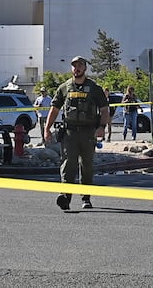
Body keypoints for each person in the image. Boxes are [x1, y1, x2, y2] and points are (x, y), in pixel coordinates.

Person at [43, 56, 110, 210]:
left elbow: (104, 109)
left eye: (80, 65)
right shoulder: (64, 87)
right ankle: (65, 197)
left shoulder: (94, 88)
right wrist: (47, 129)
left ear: (85, 68)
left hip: (88, 134)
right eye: (74, 66)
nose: (77, 68)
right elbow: (54, 109)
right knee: (68, 164)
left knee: (86, 166)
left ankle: (86, 198)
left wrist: (102, 127)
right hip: (69, 133)